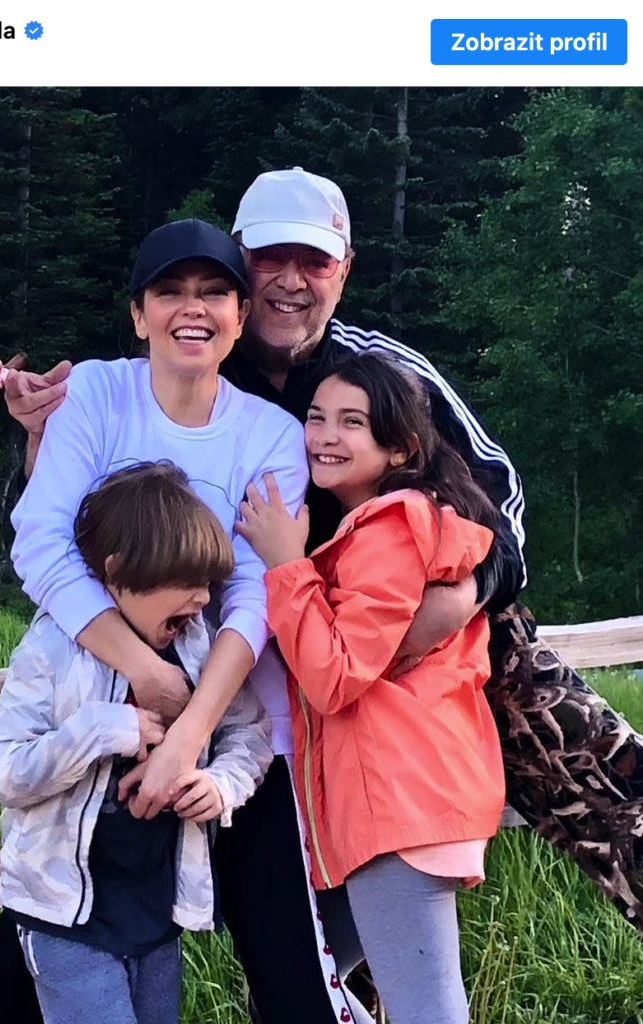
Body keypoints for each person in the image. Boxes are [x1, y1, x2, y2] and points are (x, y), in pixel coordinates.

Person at [0, 167, 643, 1021]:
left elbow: (498, 497)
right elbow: (65, 524)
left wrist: (464, 595)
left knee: (607, 792)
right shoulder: (185, 360)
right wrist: (39, 439)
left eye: (315, 262)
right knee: (254, 924)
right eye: (270, 260)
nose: (292, 281)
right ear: (241, 268)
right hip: (295, 675)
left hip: (418, 649)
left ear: (344, 270)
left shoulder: (378, 371)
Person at [236, 351, 507, 1024]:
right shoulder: (380, 528)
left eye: (351, 422)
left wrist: (285, 565)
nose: (325, 436)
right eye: (316, 417)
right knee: (291, 982)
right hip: (394, 801)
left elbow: (334, 678)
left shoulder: (390, 529)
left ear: (400, 447)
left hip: (399, 804)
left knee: (423, 1012)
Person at [0, 461, 273, 1024]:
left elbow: (248, 733)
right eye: (186, 582)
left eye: (209, 583)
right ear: (117, 571)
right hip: (65, 920)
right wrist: (104, 729)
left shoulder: (199, 646)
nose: (203, 598)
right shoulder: (52, 649)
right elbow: (9, 775)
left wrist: (220, 785)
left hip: (156, 915)